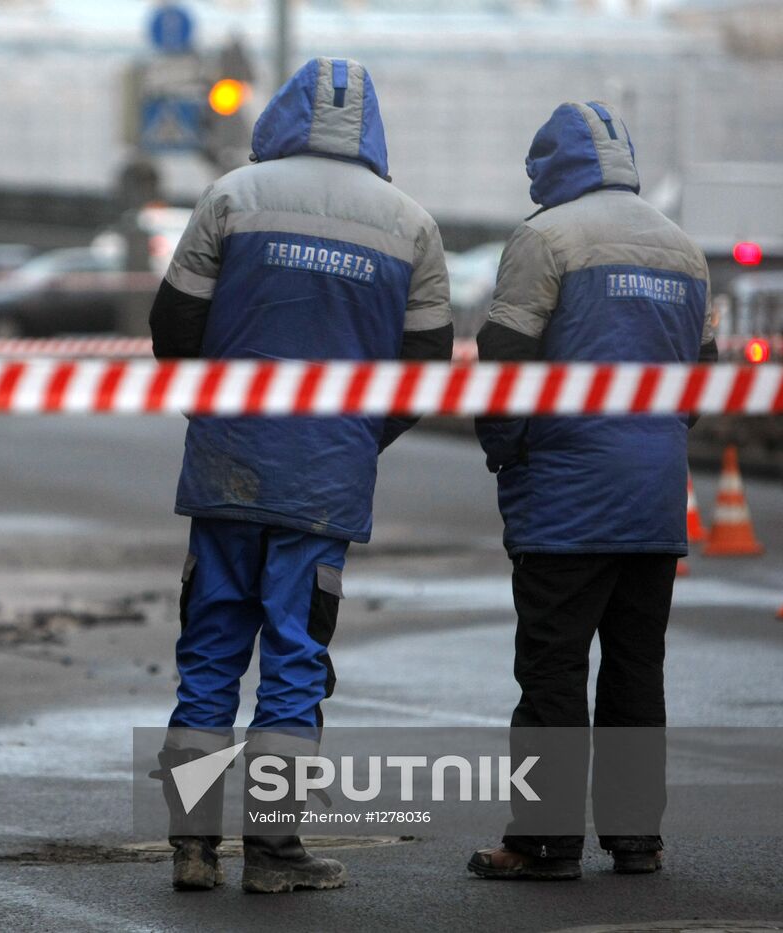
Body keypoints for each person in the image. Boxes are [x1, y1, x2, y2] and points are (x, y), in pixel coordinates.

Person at [148, 57, 453, 894]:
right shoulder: (411, 225)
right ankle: (275, 854)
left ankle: (193, 848)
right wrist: (358, 436)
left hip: (227, 465)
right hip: (325, 478)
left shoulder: (231, 197)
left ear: (282, 113)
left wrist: (215, 414)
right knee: (293, 655)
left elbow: (173, 325)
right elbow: (426, 365)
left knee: (208, 648)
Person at [467, 101, 716, 880]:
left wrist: (508, 452)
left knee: (553, 669)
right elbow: (698, 381)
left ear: (550, 166)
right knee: (637, 668)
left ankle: (544, 841)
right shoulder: (684, 250)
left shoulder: (545, 238)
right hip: (653, 493)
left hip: (567, 495)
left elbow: (504, 362)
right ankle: (637, 838)